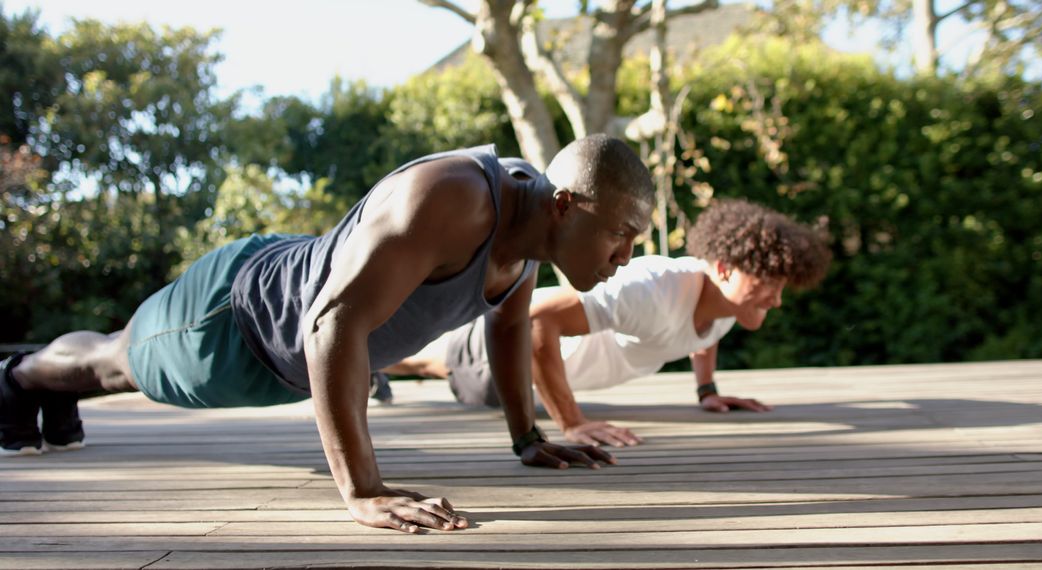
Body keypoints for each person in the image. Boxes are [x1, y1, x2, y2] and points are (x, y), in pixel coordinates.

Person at [0, 134, 656, 533]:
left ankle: (53, 393)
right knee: (117, 362)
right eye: (622, 235)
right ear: (567, 204)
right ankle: (20, 378)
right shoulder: (456, 198)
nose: (625, 256)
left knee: (113, 364)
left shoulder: (531, 234)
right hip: (236, 324)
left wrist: (526, 439)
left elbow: (510, 328)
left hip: (292, 357)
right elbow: (330, 322)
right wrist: (363, 491)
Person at [384, 198, 832, 448]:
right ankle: (370, 362)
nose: (775, 300)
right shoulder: (650, 290)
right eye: (767, 284)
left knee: (419, 360)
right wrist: (572, 424)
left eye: (783, 286)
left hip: (547, 371)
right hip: (505, 349)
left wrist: (707, 391)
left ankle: (375, 365)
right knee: (422, 362)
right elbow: (537, 321)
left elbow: (704, 335)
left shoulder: (728, 305)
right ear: (723, 268)